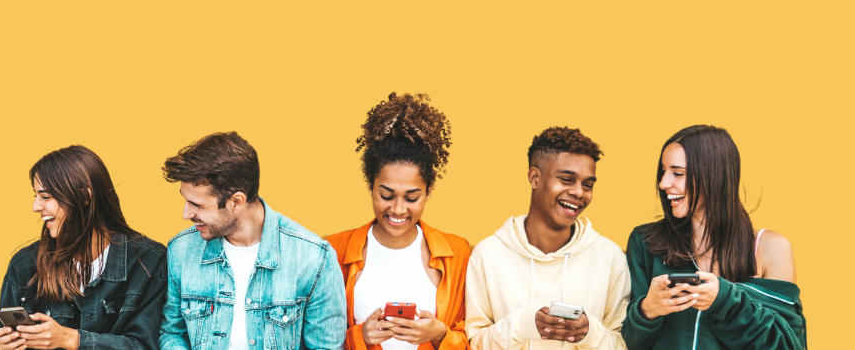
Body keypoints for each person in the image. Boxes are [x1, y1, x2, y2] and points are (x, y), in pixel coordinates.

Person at [158, 132, 346, 350]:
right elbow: (172, 332)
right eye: (185, 200)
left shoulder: (313, 258)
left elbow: (326, 347)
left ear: (236, 201)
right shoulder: (181, 250)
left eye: (197, 205)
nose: (186, 214)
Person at [623, 125, 805, 349]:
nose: (663, 183)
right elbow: (629, 342)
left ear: (714, 177)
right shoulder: (644, 241)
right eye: (663, 171)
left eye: (678, 173)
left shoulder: (770, 249)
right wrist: (647, 310)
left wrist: (725, 301)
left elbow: (787, 345)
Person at [326, 93, 472, 350]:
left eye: (412, 197)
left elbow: (474, 340)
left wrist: (439, 334)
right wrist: (361, 337)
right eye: (386, 195)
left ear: (428, 193)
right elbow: (315, 340)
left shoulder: (458, 253)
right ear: (371, 186)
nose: (397, 209)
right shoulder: (332, 251)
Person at [465, 127, 630, 350]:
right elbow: (474, 344)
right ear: (534, 178)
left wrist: (589, 333)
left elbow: (622, 344)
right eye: (566, 179)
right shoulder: (487, 255)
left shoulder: (610, 257)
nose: (579, 193)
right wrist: (523, 325)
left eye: (588, 185)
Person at [0, 145, 168, 350]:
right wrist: (5, 346)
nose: (36, 207)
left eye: (46, 196)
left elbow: (145, 345)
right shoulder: (24, 266)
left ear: (84, 197)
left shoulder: (147, 262)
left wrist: (72, 339)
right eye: (36, 195)